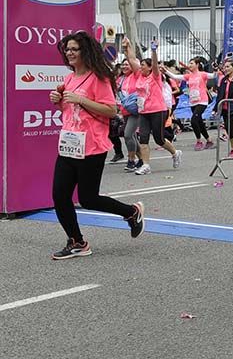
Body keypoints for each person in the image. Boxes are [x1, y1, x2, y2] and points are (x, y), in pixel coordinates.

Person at [49, 31, 145, 259]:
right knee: (59, 196)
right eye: (67, 49)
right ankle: (77, 242)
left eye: (74, 49)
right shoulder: (69, 78)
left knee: (88, 198)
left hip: (91, 145)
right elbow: (70, 110)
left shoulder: (98, 78)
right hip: (69, 144)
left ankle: (131, 212)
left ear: (85, 52)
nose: (69, 53)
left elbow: (111, 110)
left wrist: (81, 99)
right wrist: (58, 101)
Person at [122, 37, 181, 175]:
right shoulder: (139, 75)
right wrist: (127, 47)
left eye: (143, 65)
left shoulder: (155, 76)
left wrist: (154, 51)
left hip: (158, 110)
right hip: (143, 112)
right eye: (140, 64)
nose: (140, 66)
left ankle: (175, 152)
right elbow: (131, 59)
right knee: (143, 138)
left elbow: (154, 64)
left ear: (149, 67)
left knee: (159, 139)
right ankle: (146, 165)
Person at [181, 58, 214, 151]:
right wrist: (165, 71)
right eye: (189, 63)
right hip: (193, 101)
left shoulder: (202, 74)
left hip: (202, 101)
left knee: (193, 120)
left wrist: (216, 69)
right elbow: (175, 76)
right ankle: (209, 141)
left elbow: (214, 76)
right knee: (199, 122)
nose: (190, 65)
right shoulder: (188, 76)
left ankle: (199, 141)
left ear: (197, 65)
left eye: (192, 63)